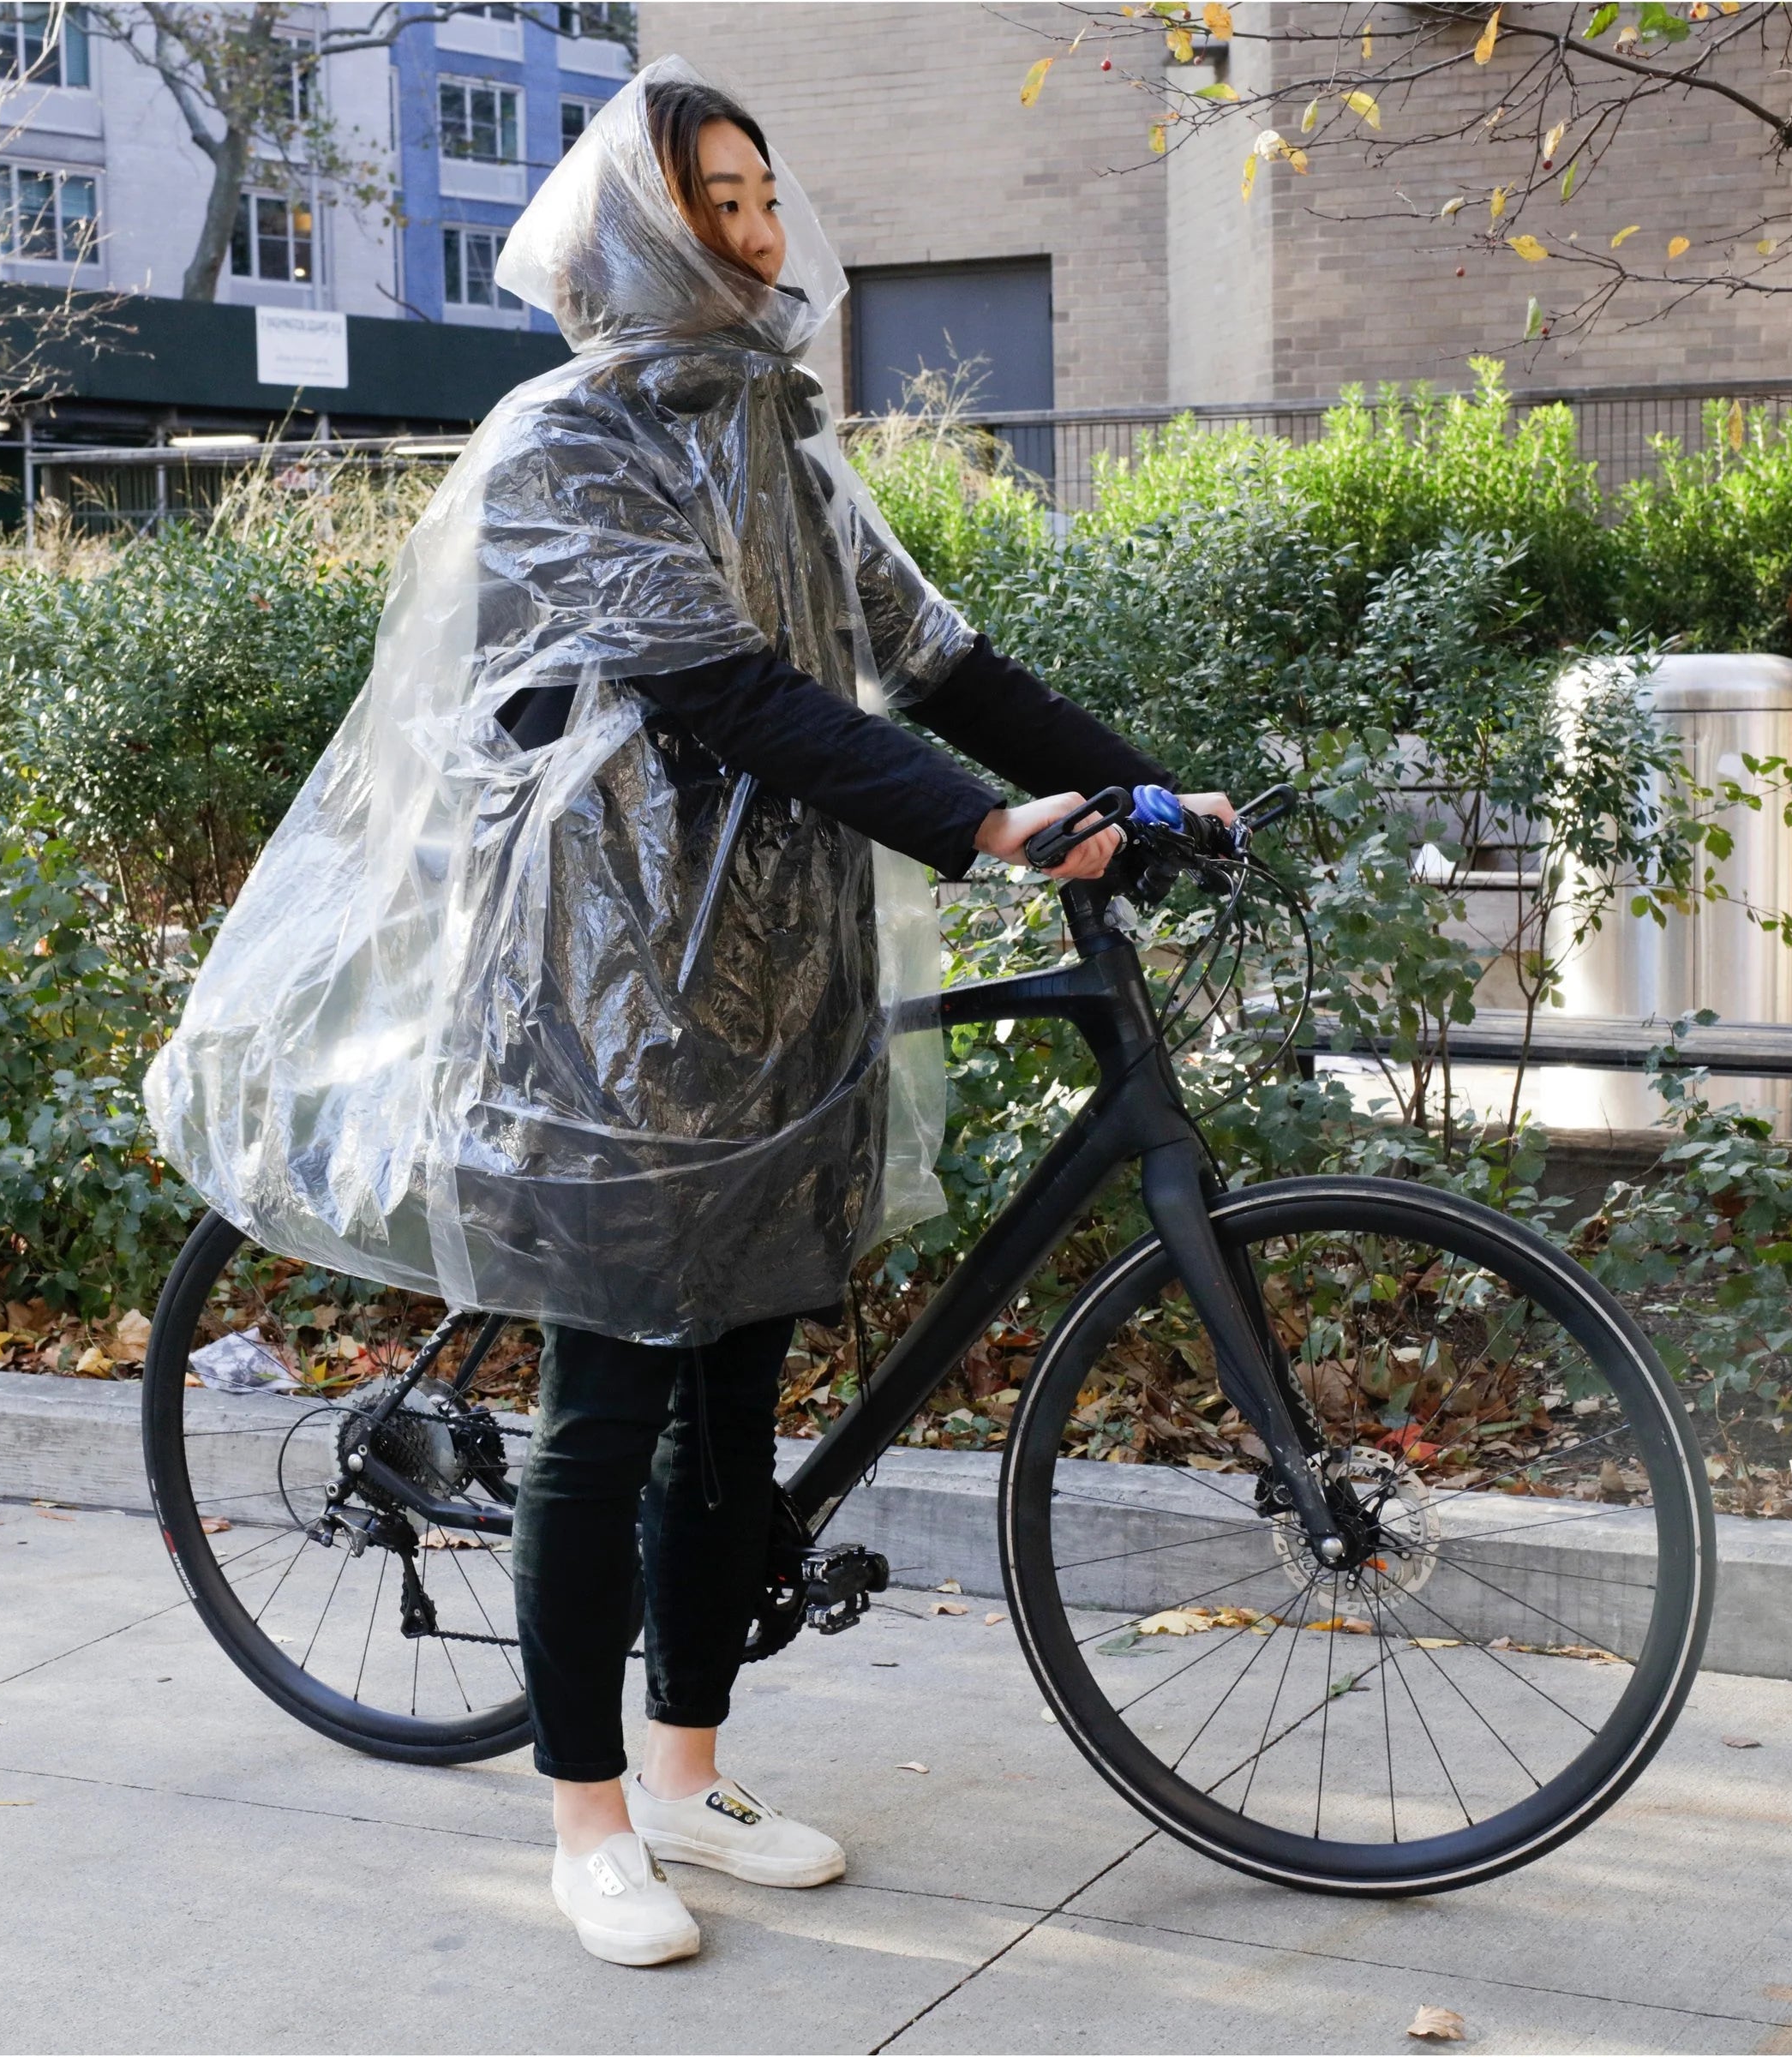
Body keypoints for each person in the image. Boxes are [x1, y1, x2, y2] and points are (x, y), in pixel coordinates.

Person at [145, 57, 1232, 1970]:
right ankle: (581, 1821)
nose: (752, 233)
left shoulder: (788, 450)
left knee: (739, 1398)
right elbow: (732, 695)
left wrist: (1150, 798)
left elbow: (943, 667)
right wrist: (989, 831)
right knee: (610, 1403)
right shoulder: (568, 446)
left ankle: (686, 1769)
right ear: (637, 234)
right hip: (600, 1004)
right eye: (709, 204)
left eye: (758, 196)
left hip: (781, 984)